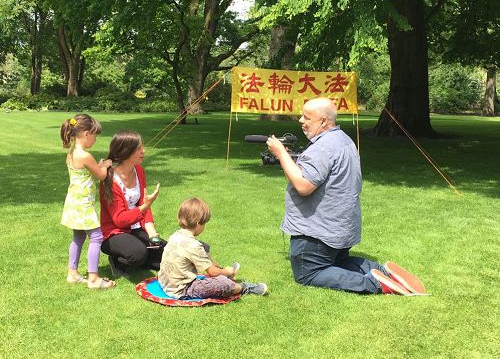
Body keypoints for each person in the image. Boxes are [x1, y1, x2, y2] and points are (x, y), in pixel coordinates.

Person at [266, 97, 425, 295]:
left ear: (323, 121)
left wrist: (281, 154)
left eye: (306, 117)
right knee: (339, 261)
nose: (300, 120)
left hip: (318, 232)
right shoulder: (342, 139)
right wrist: (289, 160)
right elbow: (308, 174)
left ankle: (378, 285)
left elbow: (303, 186)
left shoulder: (322, 147)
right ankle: (384, 272)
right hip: (340, 227)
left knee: (309, 273)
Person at [158, 197, 268, 299]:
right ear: (198, 223)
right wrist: (227, 271)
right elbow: (212, 273)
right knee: (223, 285)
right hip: (182, 289)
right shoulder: (194, 246)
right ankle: (244, 287)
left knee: (204, 246)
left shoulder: (175, 235)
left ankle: (222, 271)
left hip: (165, 283)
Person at [60, 114, 115, 289]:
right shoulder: (85, 155)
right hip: (83, 204)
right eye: (94, 135)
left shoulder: (72, 153)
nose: (95, 139)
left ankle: (72, 273)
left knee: (78, 236)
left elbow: (87, 173)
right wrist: (105, 165)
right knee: (97, 236)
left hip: (74, 202)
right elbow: (100, 176)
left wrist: (98, 165)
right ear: (86, 134)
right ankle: (93, 278)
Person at [99, 130, 163, 278]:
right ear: (126, 151)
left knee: (164, 252)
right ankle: (117, 261)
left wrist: (152, 232)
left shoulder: (139, 170)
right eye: (139, 148)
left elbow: (143, 202)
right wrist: (144, 206)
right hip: (114, 232)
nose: (143, 151)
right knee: (138, 253)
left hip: (135, 226)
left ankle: (144, 259)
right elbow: (120, 220)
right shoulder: (110, 179)